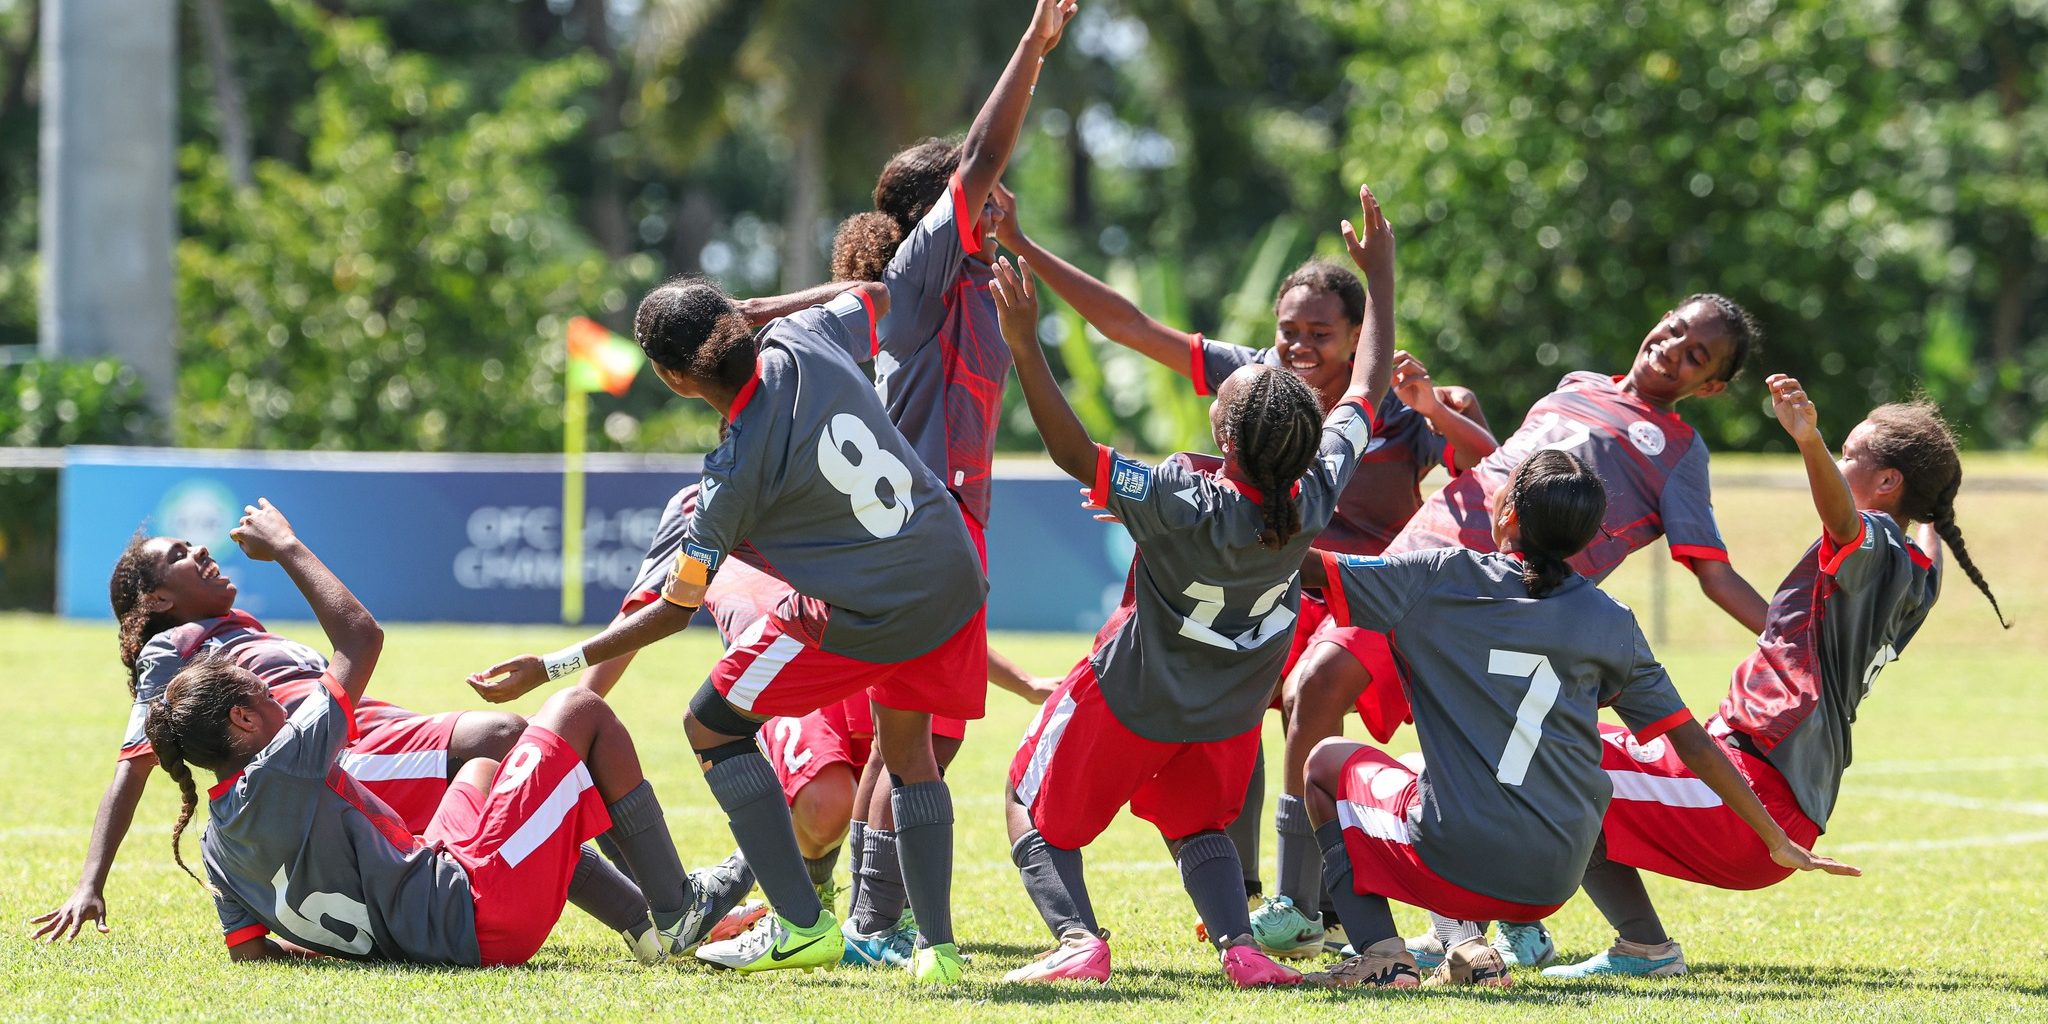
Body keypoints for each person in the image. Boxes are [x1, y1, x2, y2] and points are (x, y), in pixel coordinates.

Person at [993, 186, 1496, 931]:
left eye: (1318, 333)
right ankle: (1261, 895)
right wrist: (1029, 247)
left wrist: (1437, 408)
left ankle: (1305, 896)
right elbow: (1131, 327)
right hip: (1279, 586)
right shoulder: (1275, 407)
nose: (1295, 348)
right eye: (1286, 330)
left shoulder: (1398, 401)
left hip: (1357, 600)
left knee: (1303, 689)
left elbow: (1489, 469)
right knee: (1236, 706)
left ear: (1358, 334)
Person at [469, 274, 987, 983]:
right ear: (737, 321)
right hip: (952, 574)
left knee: (711, 724)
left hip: (877, 612)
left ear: (676, 380)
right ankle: (940, 953)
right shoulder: (807, 335)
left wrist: (552, 666)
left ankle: (803, 925)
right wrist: (763, 311)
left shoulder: (729, 476)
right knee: (910, 752)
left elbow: (673, 611)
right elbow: (876, 291)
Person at [1266, 293, 1779, 965]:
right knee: (1313, 687)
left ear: (1709, 385)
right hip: (1428, 560)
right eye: (1675, 330)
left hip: (1503, 606)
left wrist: (1790, 642)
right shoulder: (1577, 386)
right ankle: (1304, 906)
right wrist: (1436, 413)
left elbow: (1713, 573)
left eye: (1696, 356)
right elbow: (1499, 462)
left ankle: (1459, 922)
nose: (1672, 349)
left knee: (1448, 740)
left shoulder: (1679, 451)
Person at [1294, 450, 1858, 989]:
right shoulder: (1610, 620)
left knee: (1327, 763)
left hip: (1456, 862)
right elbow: (1694, 743)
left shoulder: (1438, 577)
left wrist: (1241, 514)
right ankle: (1467, 946)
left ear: (1507, 512)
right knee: (1441, 778)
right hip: (1552, 882)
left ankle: (1380, 955)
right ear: (1586, 539)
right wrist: (1775, 839)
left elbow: (1307, 568)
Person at [1543, 378, 2008, 979]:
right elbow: (1926, 536)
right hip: (1774, 798)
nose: (1840, 461)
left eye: (1850, 453)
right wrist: (1935, 505)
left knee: (1545, 762)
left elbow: (1844, 521)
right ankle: (1584, 937)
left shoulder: (1878, 544)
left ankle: (1615, 945)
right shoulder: (1918, 573)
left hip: (1745, 795)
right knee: (1563, 748)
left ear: (1888, 483)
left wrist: (1809, 441)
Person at [149, 500, 700, 967]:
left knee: (486, 769)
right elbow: (360, 637)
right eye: (264, 693)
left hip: (430, 909)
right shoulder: (283, 762)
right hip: (482, 916)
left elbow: (250, 952)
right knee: (579, 708)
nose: (277, 698)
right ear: (243, 720)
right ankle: (678, 910)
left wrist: (370, 950)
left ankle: (640, 925)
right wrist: (287, 544)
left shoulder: (214, 844)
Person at [817, 0, 1077, 963]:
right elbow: (974, 161)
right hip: (911, 540)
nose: (1002, 203)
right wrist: (1033, 49)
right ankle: (878, 926)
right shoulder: (933, 268)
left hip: (944, 536)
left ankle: (867, 924)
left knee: (908, 744)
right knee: (917, 744)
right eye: (993, 196)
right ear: (951, 215)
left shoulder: (972, 284)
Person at [556, 484, 1057, 957]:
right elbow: (646, 607)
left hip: (857, 660)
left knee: (885, 787)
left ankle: (867, 917)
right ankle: (789, 891)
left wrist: (1026, 683)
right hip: (779, 672)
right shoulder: (696, 504)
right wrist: (576, 711)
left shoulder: (824, 480)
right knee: (826, 805)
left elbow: (912, 606)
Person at [31, 532, 526, 944]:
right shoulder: (169, 647)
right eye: (178, 555)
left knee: (531, 804)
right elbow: (132, 768)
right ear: (158, 600)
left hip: (379, 731)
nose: (200, 551)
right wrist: (89, 884)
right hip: (341, 758)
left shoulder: (240, 630)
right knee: (506, 739)